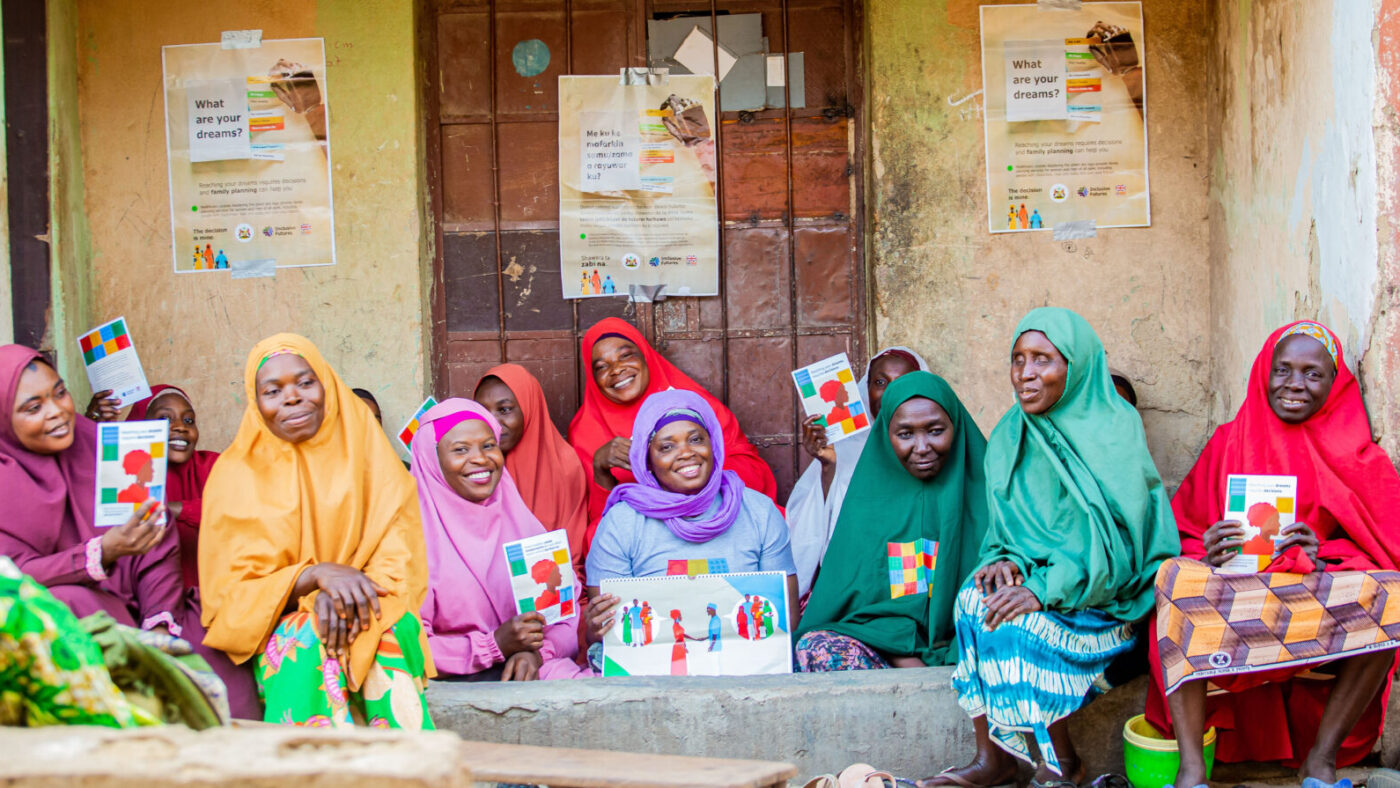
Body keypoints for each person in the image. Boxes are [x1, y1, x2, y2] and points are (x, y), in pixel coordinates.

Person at [923, 308, 1179, 788]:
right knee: (974, 601)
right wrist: (1000, 560)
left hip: (1107, 601)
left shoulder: (1115, 427)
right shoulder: (1011, 431)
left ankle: (1062, 764)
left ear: (1075, 365)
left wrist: (1043, 588)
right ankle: (994, 758)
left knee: (1024, 626)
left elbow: (1120, 547)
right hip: (1042, 582)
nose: (1026, 373)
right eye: (1018, 359)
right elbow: (1004, 527)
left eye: (1043, 359)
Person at [1147, 321, 1400, 788]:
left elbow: (1385, 549)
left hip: (1313, 601)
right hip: (1233, 601)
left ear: (1335, 381)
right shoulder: (1229, 441)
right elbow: (1179, 535)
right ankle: (1190, 772)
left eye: (1312, 373)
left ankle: (1320, 762)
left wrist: (1323, 556)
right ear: (1264, 371)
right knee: (1174, 580)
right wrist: (1207, 550)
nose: (1294, 385)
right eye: (1282, 370)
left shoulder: (1358, 457)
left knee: (1393, 598)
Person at [0, 346, 260, 719]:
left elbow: (155, 531)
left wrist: (159, 623)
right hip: (72, 618)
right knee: (74, 602)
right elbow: (12, 577)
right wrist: (98, 553)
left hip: (148, 604)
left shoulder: (95, 446)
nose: (57, 411)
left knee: (209, 644)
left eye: (60, 392)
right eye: (33, 407)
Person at [198, 334, 435, 728]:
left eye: (305, 383)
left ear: (328, 386)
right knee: (304, 636)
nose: (291, 398)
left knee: (386, 635)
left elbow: (400, 563)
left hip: (373, 607)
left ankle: (405, 772)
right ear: (256, 404)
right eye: (272, 391)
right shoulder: (233, 477)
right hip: (279, 624)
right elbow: (230, 597)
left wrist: (345, 598)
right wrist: (311, 581)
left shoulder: (370, 455)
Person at [797, 372, 988, 671]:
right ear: (886, 434)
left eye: (935, 431)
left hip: (971, 641)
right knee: (817, 647)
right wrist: (906, 657)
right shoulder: (868, 503)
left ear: (957, 425)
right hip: (888, 646)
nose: (922, 446)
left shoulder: (989, 493)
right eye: (906, 434)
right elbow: (864, 604)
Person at [584, 389, 798, 650]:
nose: (686, 453)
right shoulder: (621, 524)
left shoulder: (759, 513)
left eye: (696, 439)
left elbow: (786, 621)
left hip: (747, 669)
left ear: (714, 444)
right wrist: (596, 628)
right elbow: (608, 633)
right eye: (667, 446)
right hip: (652, 675)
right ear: (647, 459)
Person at [409, 397, 586, 682]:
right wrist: (492, 647)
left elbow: (565, 618)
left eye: (488, 445)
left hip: (534, 673)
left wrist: (537, 653)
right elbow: (408, 645)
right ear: (432, 460)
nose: (480, 458)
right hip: (452, 687)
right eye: (460, 449)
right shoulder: (411, 540)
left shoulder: (522, 523)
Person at [569, 318, 777, 536]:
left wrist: (683, 493)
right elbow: (601, 522)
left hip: (714, 515)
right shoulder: (585, 432)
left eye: (626, 355)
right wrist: (601, 471)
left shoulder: (692, 404)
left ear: (646, 356)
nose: (616, 369)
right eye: (602, 367)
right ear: (593, 379)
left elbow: (751, 471)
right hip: (643, 531)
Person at [786, 348, 929, 598]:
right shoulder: (844, 448)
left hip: (914, 587)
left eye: (904, 382)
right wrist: (828, 466)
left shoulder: (931, 450)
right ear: (866, 390)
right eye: (881, 382)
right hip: (853, 584)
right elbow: (810, 531)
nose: (891, 392)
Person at [475, 364, 590, 579]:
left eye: (505, 409)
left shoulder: (564, 466)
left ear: (529, 408)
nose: (493, 423)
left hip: (550, 589)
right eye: (483, 412)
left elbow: (571, 555)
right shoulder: (474, 468)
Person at [125, 385, 218, 591]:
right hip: (146, 600)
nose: (180, 427)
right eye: (165, 419)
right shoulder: (127, 477)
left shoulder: (214, 466)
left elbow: (235, 510)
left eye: (188, 420)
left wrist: (172, 508)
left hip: (212, 598)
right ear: (139, 425)